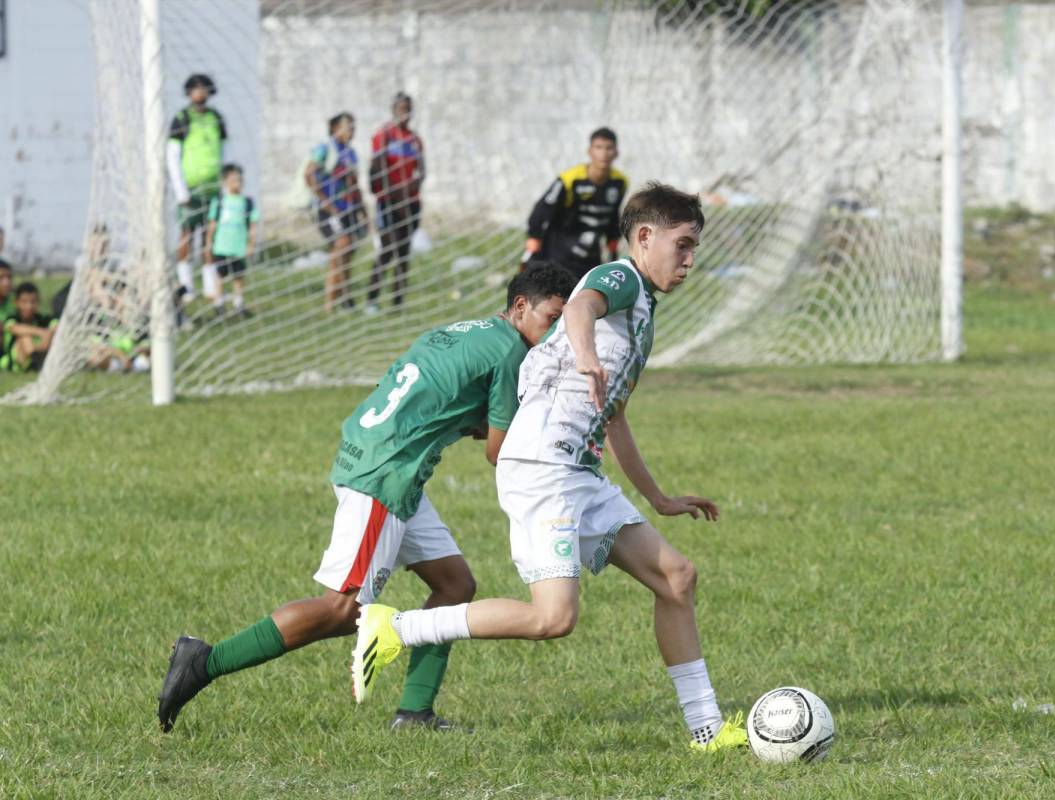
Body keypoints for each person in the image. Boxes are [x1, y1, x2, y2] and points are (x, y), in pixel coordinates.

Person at [353, 183, 748, 753]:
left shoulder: (642, 316)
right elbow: (584, 304)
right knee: (552, 619)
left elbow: (615, 418)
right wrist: (584, 352)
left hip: (578, 473)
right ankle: (395, 628)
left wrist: (659, 498)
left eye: (694, 247)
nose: (689, 259)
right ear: (643, 237)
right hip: (541, 466)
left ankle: (707, 731)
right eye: (681, 244)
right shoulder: (619, 279)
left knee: (677, 578)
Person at [157, 262, 579, 735]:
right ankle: (205, 661)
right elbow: (499, 452)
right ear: (521, 306)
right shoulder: (509, 352)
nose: (553, 334)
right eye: (551, 319)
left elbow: (440, 397)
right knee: (341, 610)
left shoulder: (467, 329)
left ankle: (414, 714)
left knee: (455, 584)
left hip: (380, 455)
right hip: (386, 474)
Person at [522, 127, 628, 281]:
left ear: (616, 152)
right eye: (598, 147)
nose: (604, 154)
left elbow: (613, 217)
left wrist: (612, 249)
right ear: (590, 151)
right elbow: (541, 210)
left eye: (609, 148)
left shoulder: (619, 182)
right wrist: (533, 242)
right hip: (557, 254)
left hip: (590, 258)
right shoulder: (570, 180)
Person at [167, 74, 227, 303]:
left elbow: (224, 149)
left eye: (204, 89)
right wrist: (180, 189)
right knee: (187, 235)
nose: (200, 93)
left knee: (210, 237)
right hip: (190, 189)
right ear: (189, 92)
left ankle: (211, 286)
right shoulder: (182, 118)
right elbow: (172, 156)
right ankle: (186, 286)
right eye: (196, 89)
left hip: (212, 189)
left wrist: (224, 181)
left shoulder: (216, 118)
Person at [368, 92, 425, 314]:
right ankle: (372, 300)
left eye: (408, 108)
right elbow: (376, 168)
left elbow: (422, 171)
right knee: (387, 250)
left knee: (404, 252)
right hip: (388, 202)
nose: (405, 112)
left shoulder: (414, 139)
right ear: (393, 109)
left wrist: (412, 189)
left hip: (409, 203)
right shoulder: (384, 136)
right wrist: (390, 194)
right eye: (401, 108)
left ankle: (398, 303)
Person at [306, 112, 366, 313]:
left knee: (347, 253)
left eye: (353, 127)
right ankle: (330, 304)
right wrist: (326, 204)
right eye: (347, 126)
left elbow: (354, 184)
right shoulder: (325, 149)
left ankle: (346, 298)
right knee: (339, 250)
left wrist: (362, 210)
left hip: (347, 209)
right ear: (334, 129)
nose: (351, 131)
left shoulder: (352, 153)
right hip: (328, 210)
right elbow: (309, 174)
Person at [204, 164, 260, 319]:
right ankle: (219, 304)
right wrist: (209, 242)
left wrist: (251, 244)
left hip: (239, 246)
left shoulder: (247, 202)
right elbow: (212, 223)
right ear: (225, 181)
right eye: (233, 179)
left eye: (239, 179)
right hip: (222, 246)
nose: (237, 182)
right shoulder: (220, 201)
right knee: (220, 275)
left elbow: (253, 225)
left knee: (238, 276)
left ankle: (238, 303)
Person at [1, 282, 57, 373]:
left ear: (38, 302)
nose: (29, 306)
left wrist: (49, 334)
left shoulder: (43, 319)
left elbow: (57, 326)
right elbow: (14, 328)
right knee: (25, 337)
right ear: (16, 303)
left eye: (33, 302)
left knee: (51, 335)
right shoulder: (12, 318)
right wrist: (41, 332)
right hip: (16, 361)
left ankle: (39, 363)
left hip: (40, 351)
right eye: (24, 302)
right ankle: (38, 364)